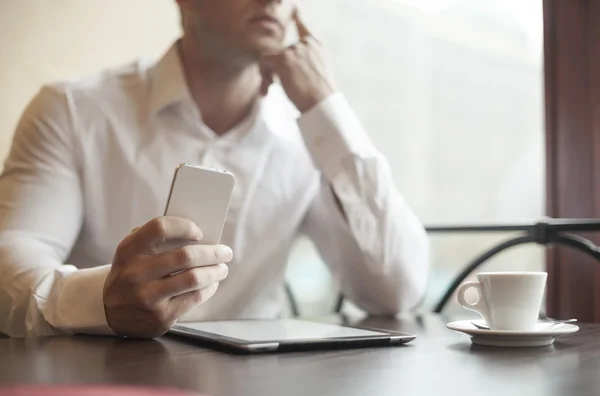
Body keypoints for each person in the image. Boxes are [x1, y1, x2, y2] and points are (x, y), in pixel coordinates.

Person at [0, 0, 429, 338]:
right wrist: (98, 301)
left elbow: (396, 292)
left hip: (258, 384)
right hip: (100, 380)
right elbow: (12, 260)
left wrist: (327, 108)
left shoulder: (313, 136)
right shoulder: (71, 111)